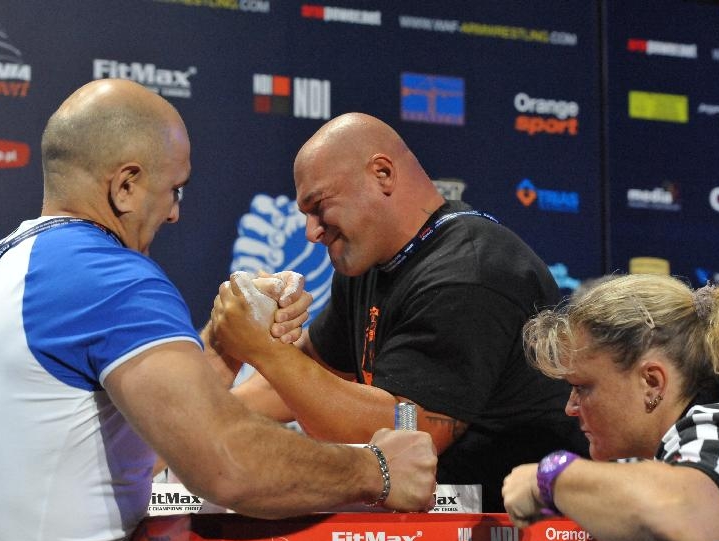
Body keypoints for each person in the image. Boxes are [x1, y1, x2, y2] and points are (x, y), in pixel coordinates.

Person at [0, 80, 437, 541]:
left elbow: (138, 434)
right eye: (174, 189)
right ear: (125, 186)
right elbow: (228, 463)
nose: (174, 213)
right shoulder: (107, 277)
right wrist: (378, 469)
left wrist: (227, 344)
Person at [209, 112, 588, 514]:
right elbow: (308, 378)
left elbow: (405, 436)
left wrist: (265, 352)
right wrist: (206, 423)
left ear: (383, 174)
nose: (311, 231)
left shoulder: (470, 272)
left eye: (318, 205)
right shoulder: (371, 263)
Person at [502, 274, 719, 541]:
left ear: (651, 382)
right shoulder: (639, 464)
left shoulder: (718, 425)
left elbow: (696, 518)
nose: (571, 407)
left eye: (583, 387)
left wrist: (550, 475)